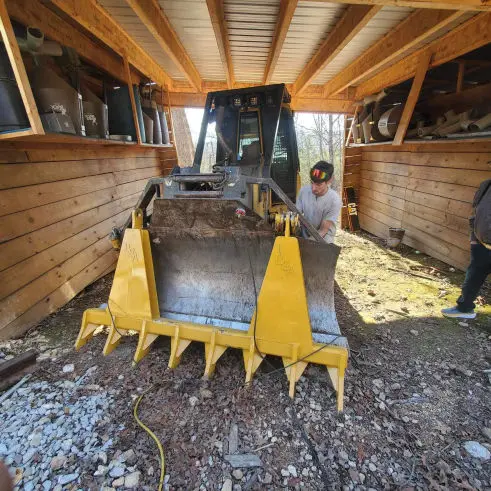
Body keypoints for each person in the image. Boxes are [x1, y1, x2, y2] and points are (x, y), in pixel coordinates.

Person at [442, 178, 491, 319]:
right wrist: (474, 239)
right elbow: (477, 211)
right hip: (481, 244)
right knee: (472, 278)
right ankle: (464, 308)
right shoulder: (486, 185)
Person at [296, 160, 342, 244]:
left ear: (329, 181)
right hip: (305, 234)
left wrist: (307, 244)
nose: (313, 188)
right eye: (312, 183)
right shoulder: (304, 191)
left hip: (324, 237)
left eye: (318, 184)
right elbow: (296, 215)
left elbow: (323, 230)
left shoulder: (334, 200)